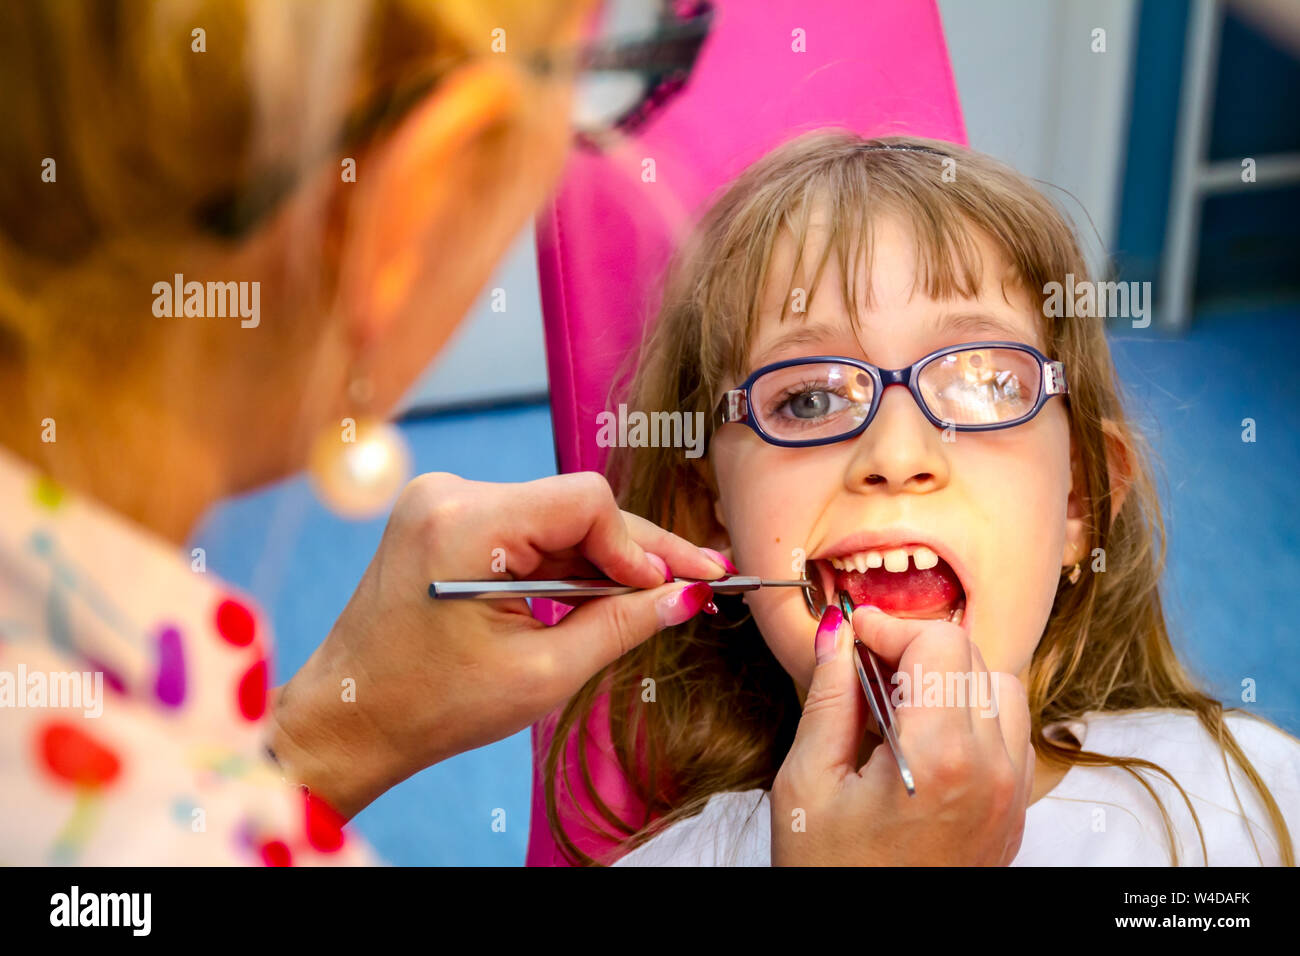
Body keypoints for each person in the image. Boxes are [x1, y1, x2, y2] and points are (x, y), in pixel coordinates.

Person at [537, 131, 1300, 866]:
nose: (897, 457)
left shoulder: (1243, 806)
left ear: (1081, 504)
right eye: (809, 399)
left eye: (983, 384)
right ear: (709, 521)